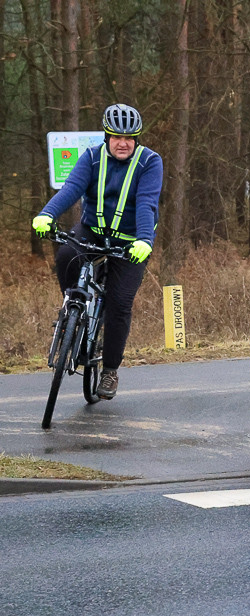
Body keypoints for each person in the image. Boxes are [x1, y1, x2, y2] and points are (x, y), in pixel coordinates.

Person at [31, 103, 163, 400]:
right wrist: (47, 214)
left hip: (131, 240)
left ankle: (110, 370)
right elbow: (70, 189)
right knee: (66, 255)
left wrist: (144, 240)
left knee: (119, 304)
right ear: (106, 136)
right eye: (116, 136)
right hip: (92, 229)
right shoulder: (91, 157)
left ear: (137, 139)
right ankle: (73, 309)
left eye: (129, 138)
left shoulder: (150, 162)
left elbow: (147, 203)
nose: (123, 143)